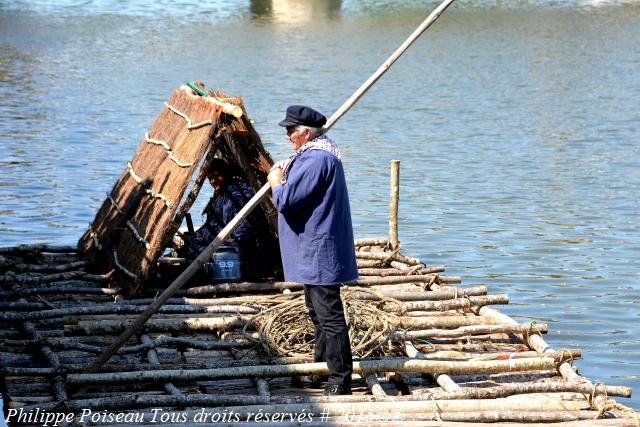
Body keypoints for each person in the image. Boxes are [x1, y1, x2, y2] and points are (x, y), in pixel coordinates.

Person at [267, 105, 358, 396]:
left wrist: (276, 182)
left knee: (329, 316)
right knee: (318, 314)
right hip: (314, 249)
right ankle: (321, 368)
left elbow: (287, 200)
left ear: (306, 133)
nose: (287, 136)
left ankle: (340, 378)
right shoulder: (314, 154)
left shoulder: (317, 159)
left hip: (320, 251)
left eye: (290, 131)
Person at [179, 158, 274, 280]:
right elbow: (213, 224)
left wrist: (224, 243)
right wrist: (197, 235)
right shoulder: (220, 196)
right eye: (210, 178)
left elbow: (244, 227)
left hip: (248, 251)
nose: (213, 181)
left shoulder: (238, 194)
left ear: (225, 173)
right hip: (228, 241)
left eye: (216, 176)